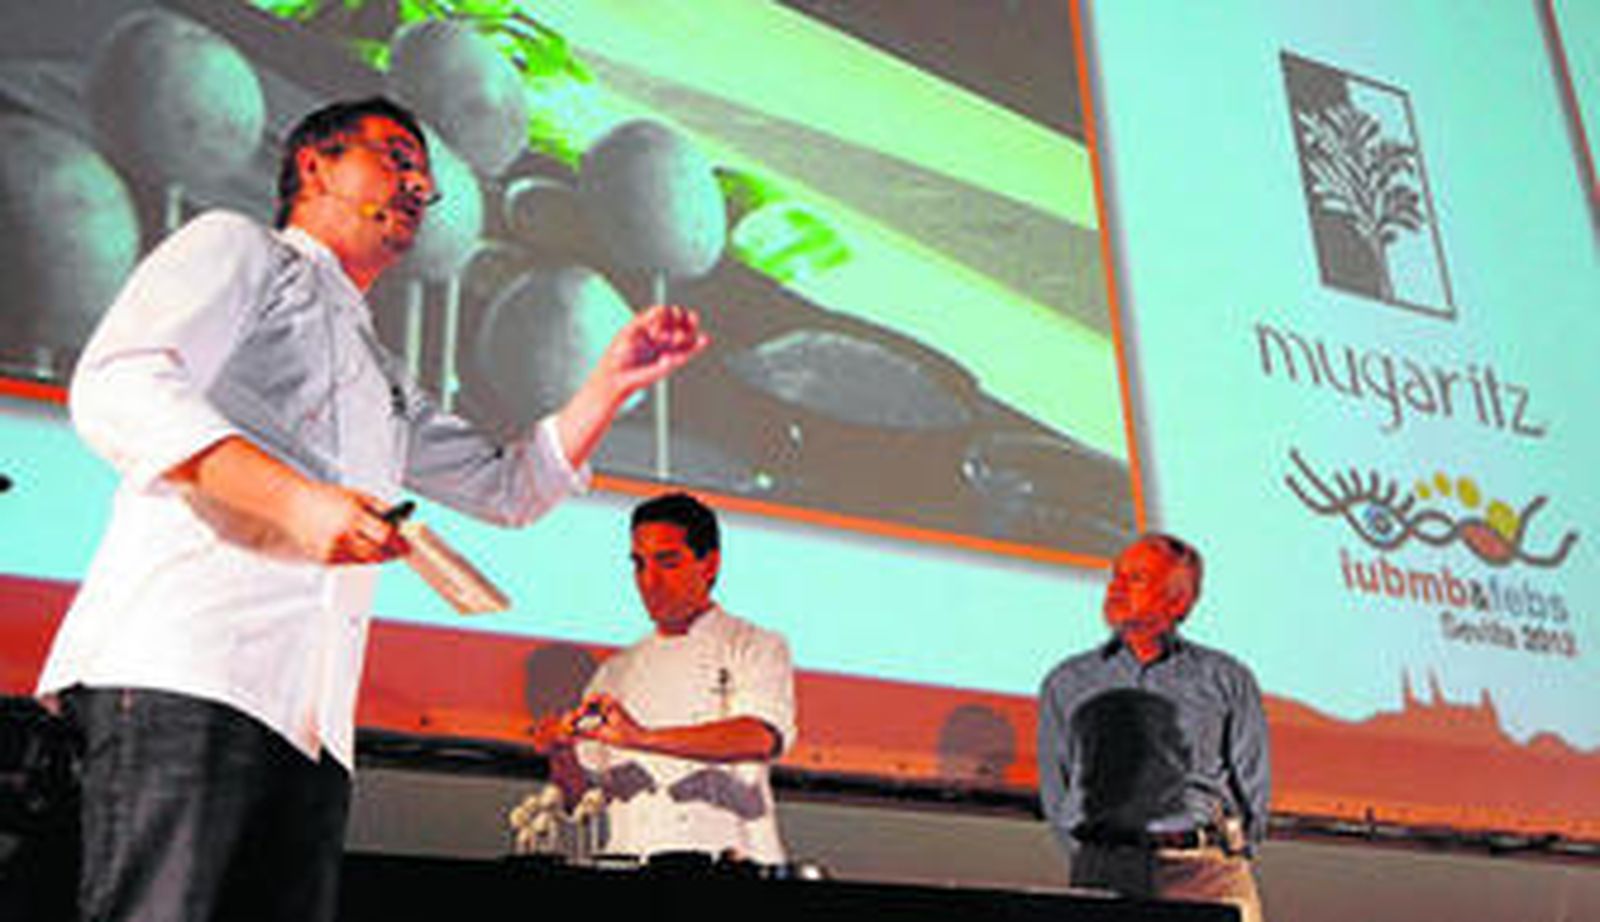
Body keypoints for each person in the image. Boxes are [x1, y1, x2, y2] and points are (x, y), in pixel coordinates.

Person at [34, 96, 708, 922]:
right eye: (396, 158)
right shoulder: (239, 248)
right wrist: (298, 503)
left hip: (312, 724)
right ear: (314, 165)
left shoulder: (378, 369)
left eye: (426, 177)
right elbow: (120, 383)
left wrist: (608, 383)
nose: (418, 184)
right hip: (189, 672)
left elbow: (507, 488)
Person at [533, 492, 796, 864]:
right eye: (639, 564)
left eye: (667, 562)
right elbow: (581, 800)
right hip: (631, 862)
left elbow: (759, 737)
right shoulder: (614, 672)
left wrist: (642, 738)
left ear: (709, 564)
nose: (649, 581)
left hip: (732, 864)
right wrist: (559, 752)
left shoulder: (753, 645)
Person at [1037, 534, 1270, 922]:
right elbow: (1057, 788)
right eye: (1115, 576)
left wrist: (1223, 852)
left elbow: (1253, 789)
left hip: (1205, 876)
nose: (1116, 588)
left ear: (1179, 601)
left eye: (1136, 578)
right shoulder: (1068, 682)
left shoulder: (1227, 679)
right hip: (1105, 874)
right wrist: (1099, 857)